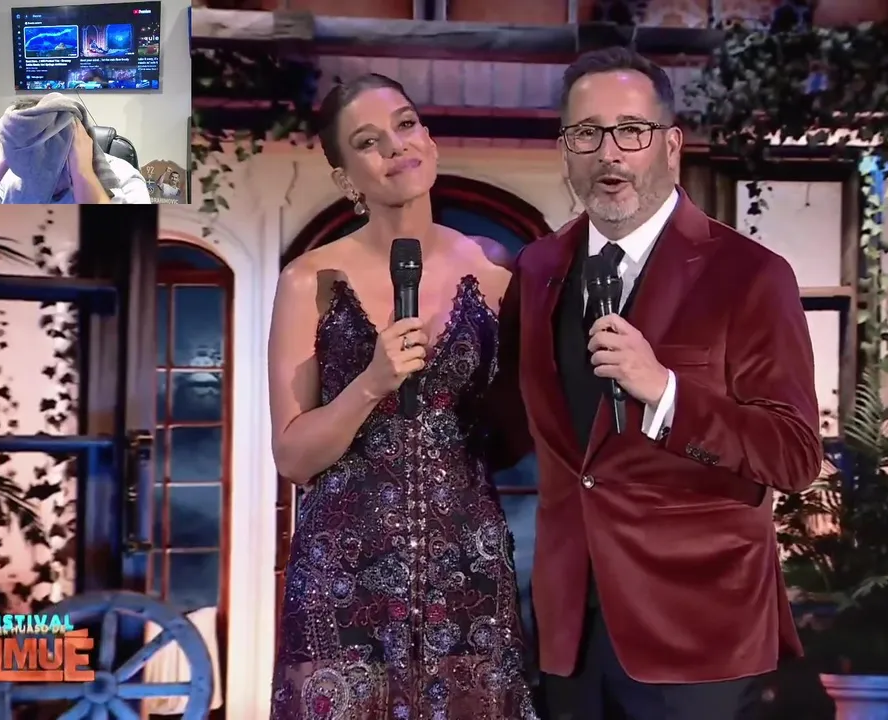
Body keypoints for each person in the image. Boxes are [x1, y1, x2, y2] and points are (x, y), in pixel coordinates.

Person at [490, 47, 823, 720]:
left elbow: (793, 455)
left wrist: (666, 392)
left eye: (631, 131)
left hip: (700, 631)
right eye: (587, 133)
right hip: (570, 630)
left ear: (671, 146)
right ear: (565, 150)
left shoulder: (750, 275)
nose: (608, 153)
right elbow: (508, 433)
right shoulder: (538, 269)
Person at [267, 73, 537, 720]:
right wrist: (370, 383)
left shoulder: (495, 275)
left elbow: (522, 425)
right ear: (346, 178)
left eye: (406, 125)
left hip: (468, 569)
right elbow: (293, 457)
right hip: (342, 576)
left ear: (430, 141)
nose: (395, 146)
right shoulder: (309, 280)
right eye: (368, 141)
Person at [0, 97, 150, 204]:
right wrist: (1, 160)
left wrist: (83, 174)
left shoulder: (125, 179)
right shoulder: (14, 179)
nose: (35, 176)